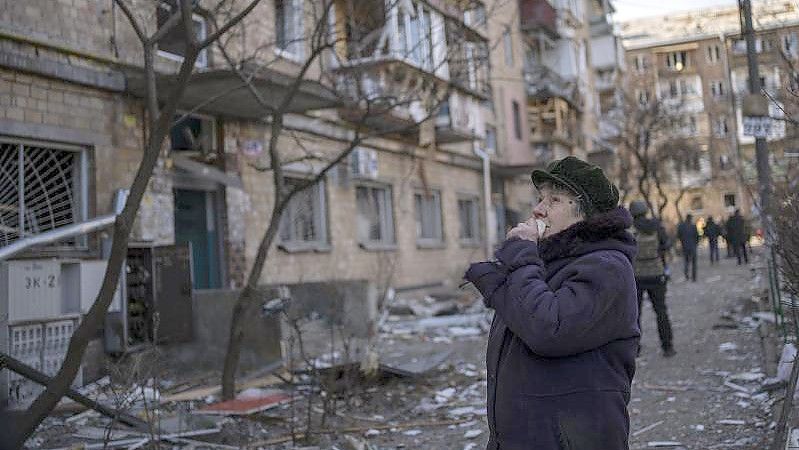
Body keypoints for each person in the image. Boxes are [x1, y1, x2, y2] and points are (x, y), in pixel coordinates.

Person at [464, 156, 639, 450]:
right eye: (540, 198)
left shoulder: (606, 267)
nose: (538, 209)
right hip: (532, 435)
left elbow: (549, 330)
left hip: (573, 439)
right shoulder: (548, 263)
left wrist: (521, 256)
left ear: (585, 214)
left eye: (554, 200)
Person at [629, 201, 676, 357]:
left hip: (636, 275)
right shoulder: (656, 226)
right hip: (657, 272)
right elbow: (666, 245)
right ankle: (667, 346)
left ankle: (635, 348)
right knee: (661, 311)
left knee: (635, 314)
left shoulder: (629, 229)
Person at [677, 214, 699, 281]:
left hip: (685, 246)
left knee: (686, 262)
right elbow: (697, 236)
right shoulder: (693, 226)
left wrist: (682, 242)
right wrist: (696, 243)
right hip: (692, 246)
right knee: (694, 262)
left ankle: (686, 275)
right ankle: (694, 276)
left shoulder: (681, 226)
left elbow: (678, 235)